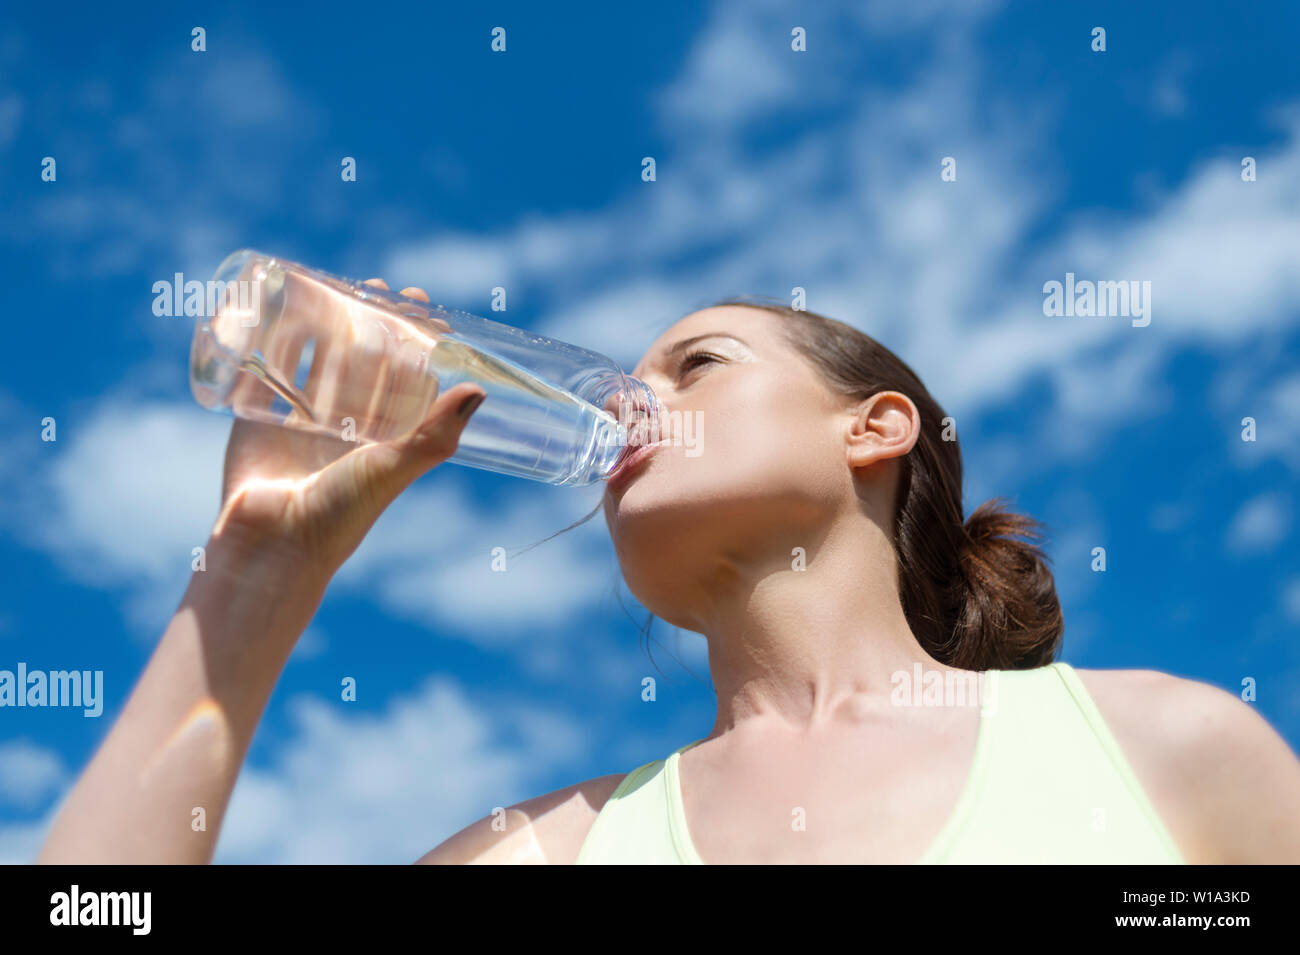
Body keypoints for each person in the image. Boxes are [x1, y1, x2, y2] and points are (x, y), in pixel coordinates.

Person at [37, 284, 1300, 864]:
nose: (629, 400)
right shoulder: (536, 852)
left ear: (873, 428)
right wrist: (257, 570)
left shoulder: (1156, 750)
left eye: (695, 364)